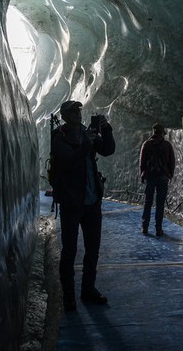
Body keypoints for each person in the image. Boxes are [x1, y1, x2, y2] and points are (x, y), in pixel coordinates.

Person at [51, 100, 116, 311]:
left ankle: (88, 290)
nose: (77, 114)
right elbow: (68, 161)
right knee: (69, 251)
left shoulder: (87, 133)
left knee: (93, 250)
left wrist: (106, 129)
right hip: (71, 202)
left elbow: (108, 149)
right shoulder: (59, 136)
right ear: (64, 116)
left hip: (91, 202)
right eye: (72, 112)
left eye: (78, 110)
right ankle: (68, 296)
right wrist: (87, 143)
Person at [139, 123, 175, 236]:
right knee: (160, 204)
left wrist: (142, 174)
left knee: (147, 202)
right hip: (163, 177)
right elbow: (172, 162)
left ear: (153, 132)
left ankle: (145, 227)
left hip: (150, 176)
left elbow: (142, 161)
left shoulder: (146, 144)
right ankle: (158, 229)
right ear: (162, 133)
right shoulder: (167, 145)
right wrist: (170, 175)